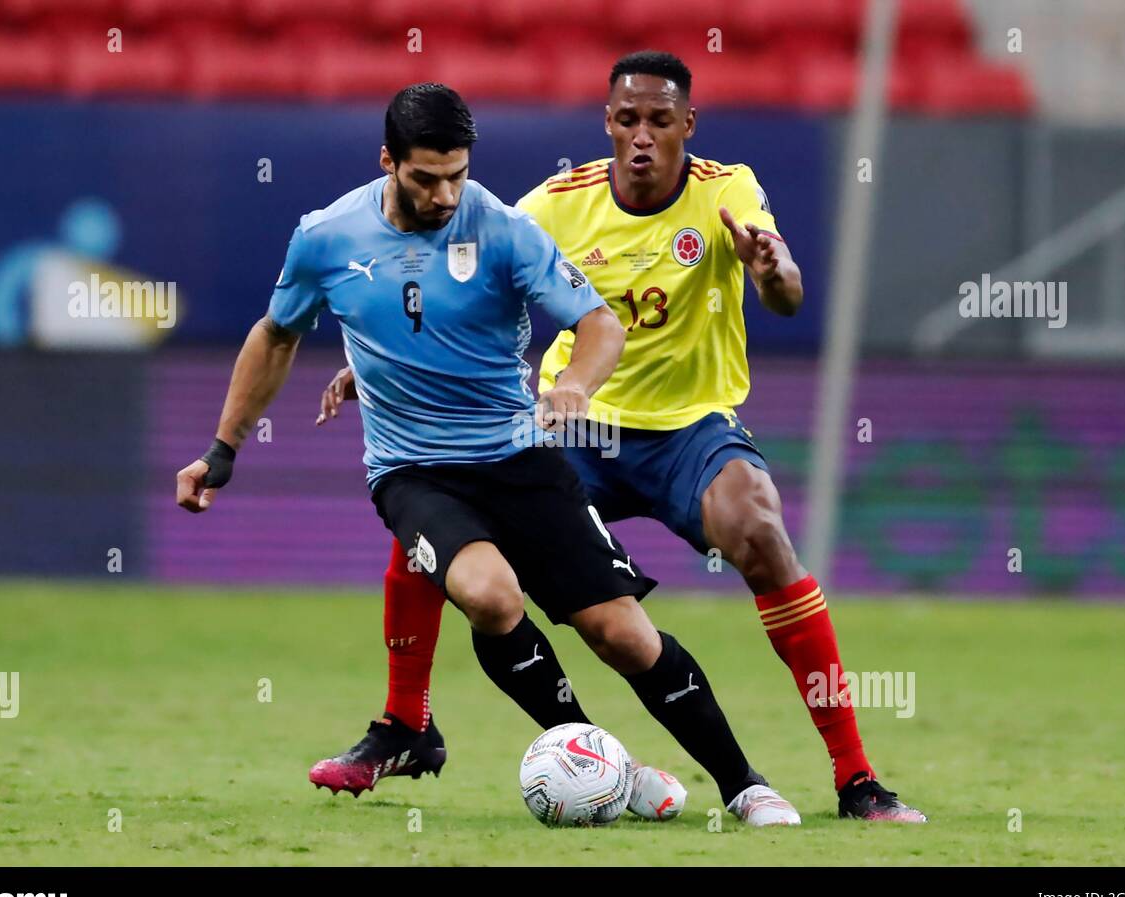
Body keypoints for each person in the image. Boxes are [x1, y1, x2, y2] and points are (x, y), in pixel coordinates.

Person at [318, 53, 926, 823]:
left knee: (762, 529)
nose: (642, 136)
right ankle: (407, 722)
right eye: (628, 120)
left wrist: (769, 268)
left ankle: (856, 778)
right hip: (575, 419)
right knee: (436, 512)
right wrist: (362, 360)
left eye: (660, 121)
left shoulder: (726, 191)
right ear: (608, 124)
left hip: (688, 429)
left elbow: (787, 296)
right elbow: (450, 276)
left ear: (687, 128)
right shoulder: (555, 203)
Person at [178, 82, 800, 827]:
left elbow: (600, 323)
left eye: (458, 175)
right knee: (490, 594)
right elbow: (276, 335)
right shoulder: (327, 236)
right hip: (413, 472)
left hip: (518, 456)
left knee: (623, 635)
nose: (445, 195)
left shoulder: (505, 230)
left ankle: (744, 784)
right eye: (425, 178)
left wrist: (573, 386)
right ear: (388, 162)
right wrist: (223, 449)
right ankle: (608, 765)